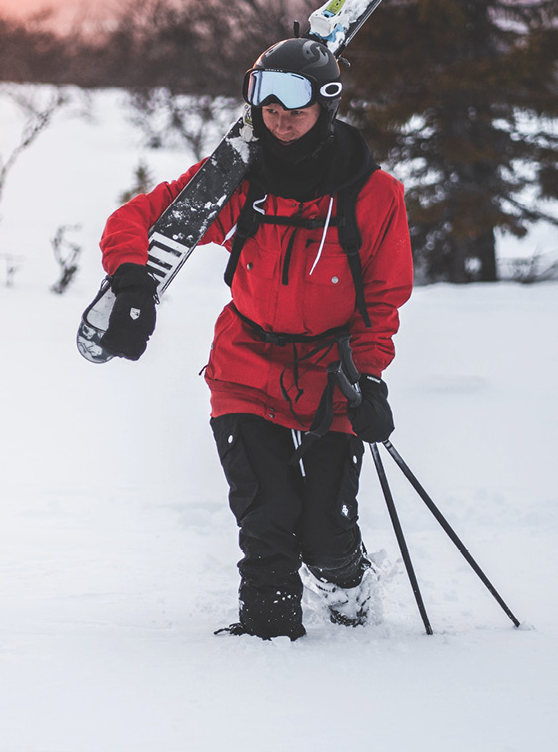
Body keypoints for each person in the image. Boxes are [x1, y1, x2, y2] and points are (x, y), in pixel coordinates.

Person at [98, 37, 413, 640]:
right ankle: (267, 635)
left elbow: (382, 302)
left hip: (333, 370)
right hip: (246, 365)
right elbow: (135, 218)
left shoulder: (374, 196)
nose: (278, 113)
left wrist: (369, 377)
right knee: (268, 515)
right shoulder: (237, 181)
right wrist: (132, 279)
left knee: (323, 527)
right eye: (264, 97)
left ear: (327, 102)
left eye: (295, 99)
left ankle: (349, 584)